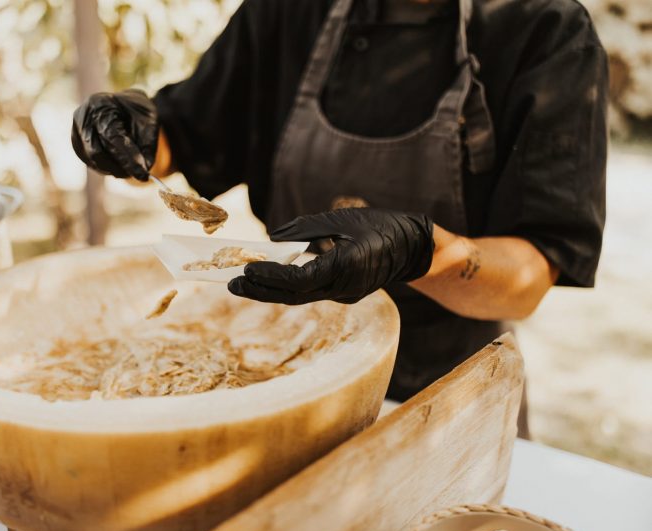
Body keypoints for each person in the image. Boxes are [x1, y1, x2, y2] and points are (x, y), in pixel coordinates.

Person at [71, 0, 608, 430]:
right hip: (291, 372)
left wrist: (422, 253)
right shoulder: (287, 11)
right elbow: (180, 138)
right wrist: (125, 131)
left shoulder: (543, 28)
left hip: (448, 393)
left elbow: (531, 274)